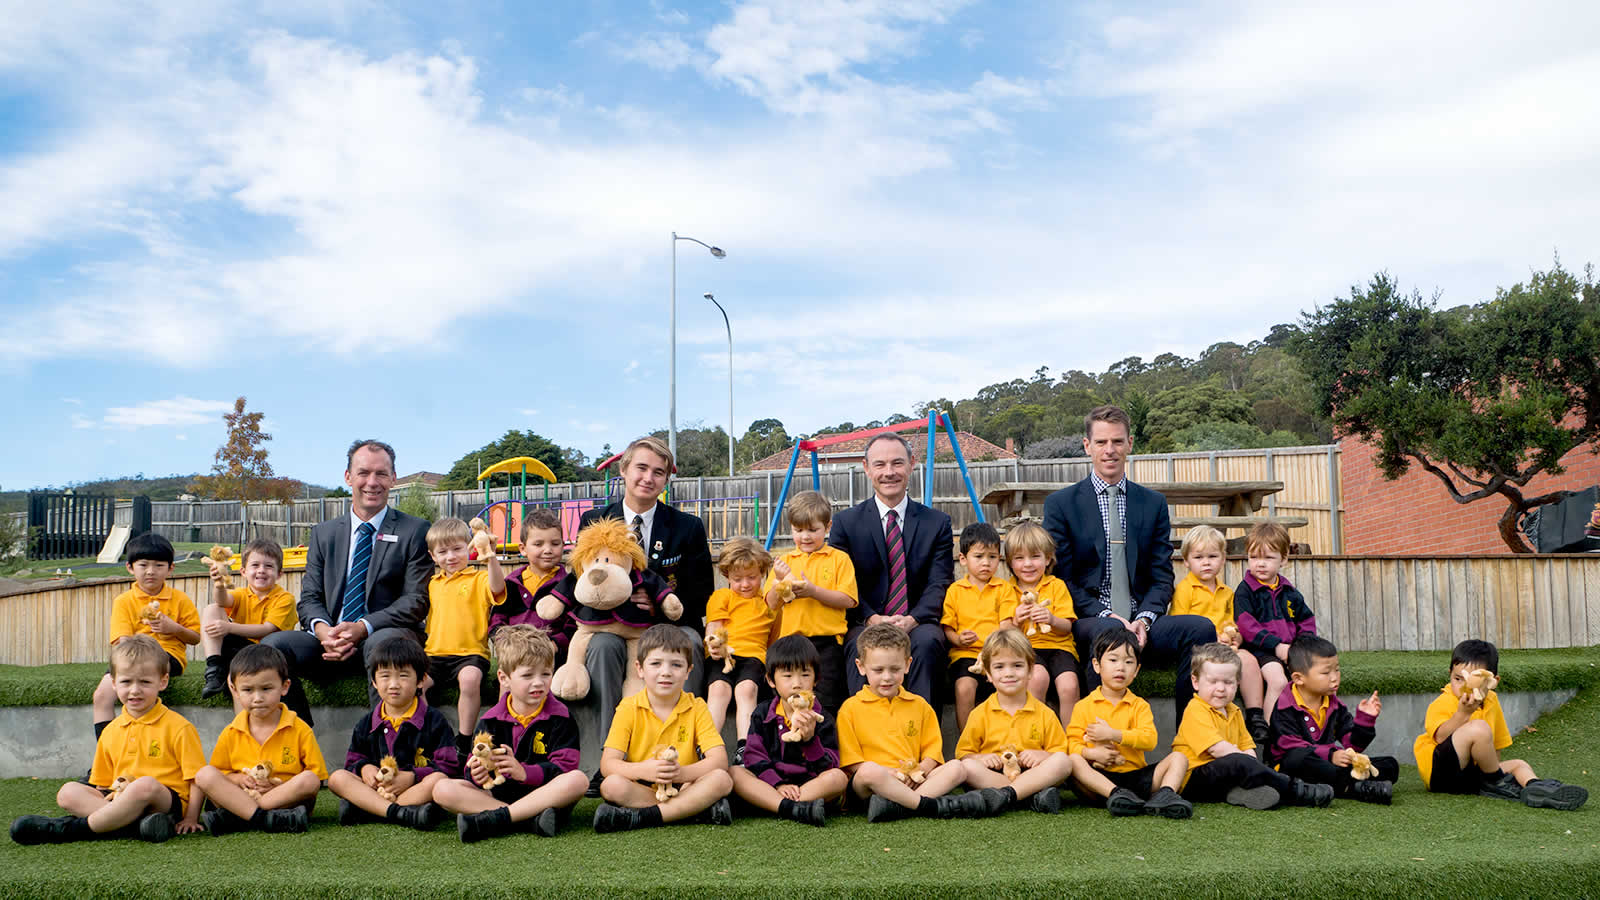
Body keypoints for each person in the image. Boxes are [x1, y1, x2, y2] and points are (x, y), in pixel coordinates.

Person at [1044, 405, 1214, 720]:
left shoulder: (1152, 504)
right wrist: (1107, 615)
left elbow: (1162, 577)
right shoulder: (1061, 505)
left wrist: (1145, 620)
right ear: (1087, 446)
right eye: (1101, 442)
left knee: (1201, 628)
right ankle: (1099, 751)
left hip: (1140, 622)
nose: (1110, 450)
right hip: (1090, 621)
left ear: (1130, 443)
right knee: (1108, 629)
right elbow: (1062, 580)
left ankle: (1191, 741)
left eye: (1118, 442)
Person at [264, 440, 434, 724]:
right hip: (329, 642)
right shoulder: (323, 533)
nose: (372, 482)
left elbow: (416, 601)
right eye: (363, 472)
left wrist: (362, 627)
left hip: (385, 638)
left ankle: (386, 753)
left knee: (383, 645)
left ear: (393, 479)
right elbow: (310, 599)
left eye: (381, 474)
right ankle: (298, 742)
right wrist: (324, 632)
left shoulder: (415, 531)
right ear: (348, 477)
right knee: (271, 647)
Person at [577, 437, 715, 781]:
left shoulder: (688, 527)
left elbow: (701, 596)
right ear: (624, 470)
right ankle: (614, 762)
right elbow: (582, 586)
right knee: (602, 647)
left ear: (666, 479)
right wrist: (621, 601)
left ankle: (690, 756)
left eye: (659, 472)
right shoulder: (593, 521)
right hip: (611, 625)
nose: (648, 478)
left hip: (669, 624)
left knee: (689, 642)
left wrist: (657, 602)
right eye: (641, 468)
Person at [12, 636, 204, 844]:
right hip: (121, 800)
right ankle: (136, 827)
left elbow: (196, 779)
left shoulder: (179, 727)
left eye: (145, 682)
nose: (134, 690)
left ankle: (72, 829)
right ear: (113, 683)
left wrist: (191, 818)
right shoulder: (111, 731)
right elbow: (102, 786)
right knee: (68, 792)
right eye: (126, 681)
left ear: (163, 681)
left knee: (144, 785)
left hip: (164, 802)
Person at [837, 622, 1006, 823]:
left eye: (894, 669)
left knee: (957, 767)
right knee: (869, 771)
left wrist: (919, 771)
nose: (887, 677)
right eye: (878, 670)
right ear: (861, 667)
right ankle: (929, 805)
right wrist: (891, 773)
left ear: (908, 664)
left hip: (915, 779)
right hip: (874, 786)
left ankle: (899, 807)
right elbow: (854, 763)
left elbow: (932, 754)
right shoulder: (850, 708)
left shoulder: (920, 705)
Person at [830, 433, 953, 705]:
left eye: (897, 463)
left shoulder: (937, 523)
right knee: (858, 645)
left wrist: (913, 619)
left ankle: (922, 738)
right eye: (880, 464)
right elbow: (840, 583)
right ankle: (864, 736)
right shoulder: (845, 524)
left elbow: (940, 582)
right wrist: (871, 618)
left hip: (917, 621)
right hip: (865, 620)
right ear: (866, 468)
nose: (889, 472)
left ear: (911, 464)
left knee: (928, 642)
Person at [434, 625, 588, 842]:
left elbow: (564, 769)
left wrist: (523, 772)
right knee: (442, 788)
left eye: (546, 674)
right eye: (527, 675)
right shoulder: (490, 720)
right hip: (499, 796)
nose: (538, 682)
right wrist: (477, 775)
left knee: (578, 780)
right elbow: (473, 765)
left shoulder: (561, 717)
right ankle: (527, 820)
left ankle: (498, 818)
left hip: (545, 796)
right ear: (504, 678)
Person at [1413, 639, 1587, 810]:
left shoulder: (1491, 701)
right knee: (1478, 728)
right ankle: (1496, 782)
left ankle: (1535, 787)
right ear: (1450, 673)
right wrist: (1463, 714)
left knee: (1519, 764)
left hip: (1472, 776)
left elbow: (1495, 746)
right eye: (1458, 679)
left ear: (1493, 681)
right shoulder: (1444, 701)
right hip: (1441, 775)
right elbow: (1441, 737)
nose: (1464, 687)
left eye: (1475, 682)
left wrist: (1495, 770)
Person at [593, 625, 734, 832]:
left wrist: (679, 773)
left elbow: (719, 761)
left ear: (688, 671)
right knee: (611, 786)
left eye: (676, 665)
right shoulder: (628, 707)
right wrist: (645, 770)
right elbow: (608, 765)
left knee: (722, 779)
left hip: (686, 785)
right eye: (656, 663)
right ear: (639, 669)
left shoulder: (697, 706)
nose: (665, 672)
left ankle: (644, 817)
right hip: (645, 789)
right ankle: (694, 810)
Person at [1172, 643, 1332, 810]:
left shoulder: (1234, 711)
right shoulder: (1195, 709)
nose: (1220, 688)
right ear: (1196, 682)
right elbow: (1217, 750)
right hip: (1193, 779)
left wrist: (1252, 765)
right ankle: (1296, 790)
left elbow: (1247, 747)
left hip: (1224, 775)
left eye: (1228, 682)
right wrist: (1248, 764)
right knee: (1239, 762)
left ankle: (1239, 793)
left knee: (1242, 763)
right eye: (1213, 682)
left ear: (1238, 683)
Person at [326, 635, 460, 831]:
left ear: (421, 680)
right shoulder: (366, 723)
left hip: (414, 791)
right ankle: (401, 813)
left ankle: (369, 809)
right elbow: (352, 762)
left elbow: (449, 767)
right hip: (379, 789)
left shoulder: (434, 721)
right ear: (373, 681)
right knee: (337, 777)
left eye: (403, 675)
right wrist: (365, 769)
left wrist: (412, 776)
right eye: (385, 675)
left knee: (438, 781)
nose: (393, 684)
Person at [193, 643, 326, 834]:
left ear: (284, 687)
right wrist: (239, 780)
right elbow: (220, 773)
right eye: (248, 690)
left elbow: (315, 777)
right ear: (235, 690)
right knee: (204, 774)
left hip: (283, 799)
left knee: (309, 780)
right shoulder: (231, 731)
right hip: (244, 795)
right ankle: (264, 819)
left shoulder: (299, 729)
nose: (257, 698)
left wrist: (278, 787)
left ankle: (241, 817)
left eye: (266, 689)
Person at [1064, 628, 1192, 818]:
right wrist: (1091, 753)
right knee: (1073, 761)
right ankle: (1116, 795)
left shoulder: (1139, 705)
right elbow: (1071, 745)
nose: (1121, 668)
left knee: (1179, 758)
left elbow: (1149, 740)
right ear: (1097, 665)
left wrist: (1113, 734)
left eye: (1129, 662)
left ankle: (1165, 795)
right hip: (1100, 782)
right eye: (1113, 660)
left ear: (1137, 670)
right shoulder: (1084, 706)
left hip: (1136, 778)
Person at [731, 634, 848, 826]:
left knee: (838, 778)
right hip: (772, 784)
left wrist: (810, 740)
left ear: (816, 679)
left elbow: (830, 766)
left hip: (810, 786)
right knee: (735, 773)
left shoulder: (822, 718)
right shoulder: (762, 713)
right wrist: (778, 784)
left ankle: (781, 805)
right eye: (787, 675)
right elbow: (753, 756)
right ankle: (793, 808)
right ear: (770, 679)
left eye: (805, 674)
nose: (797, 683)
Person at [954, 628, 1074, 814]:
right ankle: (1030, 797)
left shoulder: (1045, 713)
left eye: (1017, 666)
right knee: (967, 767)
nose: (1009, 673)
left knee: (1063, 762)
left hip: (1032, 774)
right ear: (988, 674)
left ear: (1030, 671)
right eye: (999, 667)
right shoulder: (979, 713)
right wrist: (982, 758)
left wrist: (1043, 756)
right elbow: (964, 754)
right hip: (994, 776)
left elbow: (1059, 751)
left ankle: (1008, 796)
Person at [1266, 635, 1396, 805]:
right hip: (1292, 768)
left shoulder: (1334, 705)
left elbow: (1352, 745)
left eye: (1337, 669)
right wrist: (1330, 755)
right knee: (1297, 758)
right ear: (1299, 678)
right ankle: (1356, 788)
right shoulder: (1285, 707)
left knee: (1390, 765)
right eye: (1326, 672)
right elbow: (1291, 746)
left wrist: (1365, 720)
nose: (1334, 677)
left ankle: (1348, 784)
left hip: (1329, 766)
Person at [92, 533, 199, 737]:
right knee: (101, 695)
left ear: (170, 568)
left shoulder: (180, 599)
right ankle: (106, 757)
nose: (151, 571)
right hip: (130, 656)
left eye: (159, 565)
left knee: (143, 693)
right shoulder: (124, 601)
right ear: (130, 567)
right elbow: (122, 641)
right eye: (143, 565)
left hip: (169, 656)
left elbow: (194, 637)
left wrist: (173, 629)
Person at [1170, 525, 1267, 740]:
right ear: (1186, 561)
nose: (1206, 562)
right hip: (1200, 649)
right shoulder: (1185, 590)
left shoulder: (1228, 592)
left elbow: (1235, 624)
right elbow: (1180, 624)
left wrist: (1237, 639)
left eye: (1213, 556)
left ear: (1223, 559)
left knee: (1248, 660)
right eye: (1198, 557)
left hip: (1226, 647)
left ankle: (1255, 715)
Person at [764, 490, 858, 712]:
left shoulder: (839, 559)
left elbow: (848, 599)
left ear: (827, 527)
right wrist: (779, 581)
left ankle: (826, 745)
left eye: (813, 530)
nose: (805, 536)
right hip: (790, 643)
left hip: (826, 643)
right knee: (788, 701)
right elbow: (770, 603)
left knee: (826, 702)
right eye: (798, 530)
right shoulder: (783, 562)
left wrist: (814, 591)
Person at [420, 517, 506, 734]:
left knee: (469, 681)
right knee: (415, 685)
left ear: (469, 549)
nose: (451, 557)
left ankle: (464, 738)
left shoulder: (479, 579)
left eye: (457, 549)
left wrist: (491, 558)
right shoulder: (432, 584)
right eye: (443, 552)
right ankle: (428, 735)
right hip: (434, 654)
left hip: (471, 653)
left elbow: (497, 587)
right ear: (433, 556)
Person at [998, 520, 1080, 724]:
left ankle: (1071, 740)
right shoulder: (1007, 589)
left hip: (1060, 647)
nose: (1028, 564)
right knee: (1036, 679)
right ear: (1010, 562)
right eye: (1019, 558)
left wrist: (1051, 619)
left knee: (1069, 685)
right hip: (1027, 648)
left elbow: (1067, 627)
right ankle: (1039, 735)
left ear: (1048, 558)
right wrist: (1017, 619)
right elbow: (1004, 629)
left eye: (1035, 557)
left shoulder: (1056, 586)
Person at [704, 537, 776, 760]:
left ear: (762, 573)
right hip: (724, 654)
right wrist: (713, 643)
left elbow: (779, 597)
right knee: (718, 690)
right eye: (738, 579)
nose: (745, 584)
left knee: (746, 690)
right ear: (726, 576)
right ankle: (707, 745)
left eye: (752, 577)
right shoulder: (722, 596)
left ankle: (745, 746)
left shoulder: (765, 602)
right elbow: (714, 626)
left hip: (753, 656)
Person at [200, 538, 298, 701]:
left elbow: (267, 630)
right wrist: (218, 584)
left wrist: (229, 627)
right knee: (211, 609)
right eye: (255, 565)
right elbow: (222, 601)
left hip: (268, 654)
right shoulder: (241, 593)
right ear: (243, 571)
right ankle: (214, 669)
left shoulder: (285, 599)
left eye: (268, 566)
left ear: (279, 574)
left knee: (225, 626)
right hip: (239, 651)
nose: (261, 570)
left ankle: (225, 671)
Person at [1233, 521, 1314, 717]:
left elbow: (1306, 621)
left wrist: (1301, 648)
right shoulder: (1245, 591)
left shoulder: (1289, 592)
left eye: (1268, 558)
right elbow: (1246, 626)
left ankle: (1312, 731)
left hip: (1290, 651)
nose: (1260, 564)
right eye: (1253, 557)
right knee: (1278, 681)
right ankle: (1271, 733)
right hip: (1261, 651)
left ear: (1283, 559)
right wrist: (1277, 646)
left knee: (1313, 679)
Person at [941, 522, 1014, 733]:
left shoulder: (1003, 588)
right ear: (963, 559)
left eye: (992, 557)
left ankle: (1005, 737)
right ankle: (966, 743)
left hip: (998, 653)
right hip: (965, 654)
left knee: (1008, 687)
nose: (986, 563)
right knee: (964, 687)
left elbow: (1006, 626)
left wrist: (990, 651)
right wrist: (958, 639)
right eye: (979, 556)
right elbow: (948, 628)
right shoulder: (955, 590)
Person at [490, 508, 573, 662]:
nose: (548, 550)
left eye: (555, 543)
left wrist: (554, 645)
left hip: (553, 658)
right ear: (523, 549)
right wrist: (504, 644)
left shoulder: (568, 585)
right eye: (538, 544)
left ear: (563, 545)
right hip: (515, 656)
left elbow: (573, 625)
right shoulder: (512, 583)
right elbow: (497, 618)